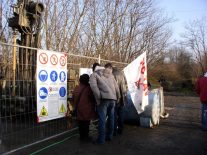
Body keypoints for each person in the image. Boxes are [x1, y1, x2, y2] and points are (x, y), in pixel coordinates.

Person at [89, 62, 120, 144]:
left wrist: (98, 99)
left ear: (93, 68)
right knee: (111, 118)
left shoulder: (94, 75)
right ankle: (109, 136)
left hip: (103, 99)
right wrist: (118, 97)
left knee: (102, 120)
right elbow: (116, 87)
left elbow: (94, 88)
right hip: (113, 99)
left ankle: (101, 140)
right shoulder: (111, 75)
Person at [72, 74, 96, 141]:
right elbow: (92, 98)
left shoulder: (76, 88)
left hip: (78, 109)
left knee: (80, 123)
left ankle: (81, 137)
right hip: (86, 109)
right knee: (86, 124)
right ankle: (85, 137)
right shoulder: (88, 89)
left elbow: (73, 98)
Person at [112, 67, 128, 136]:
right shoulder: (122, 73)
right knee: (121, 114)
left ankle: (114, 131)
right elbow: (126, 85)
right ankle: (121, 129)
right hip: (123, 97)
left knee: (114, 115)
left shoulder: (112, 74)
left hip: (115, 97)